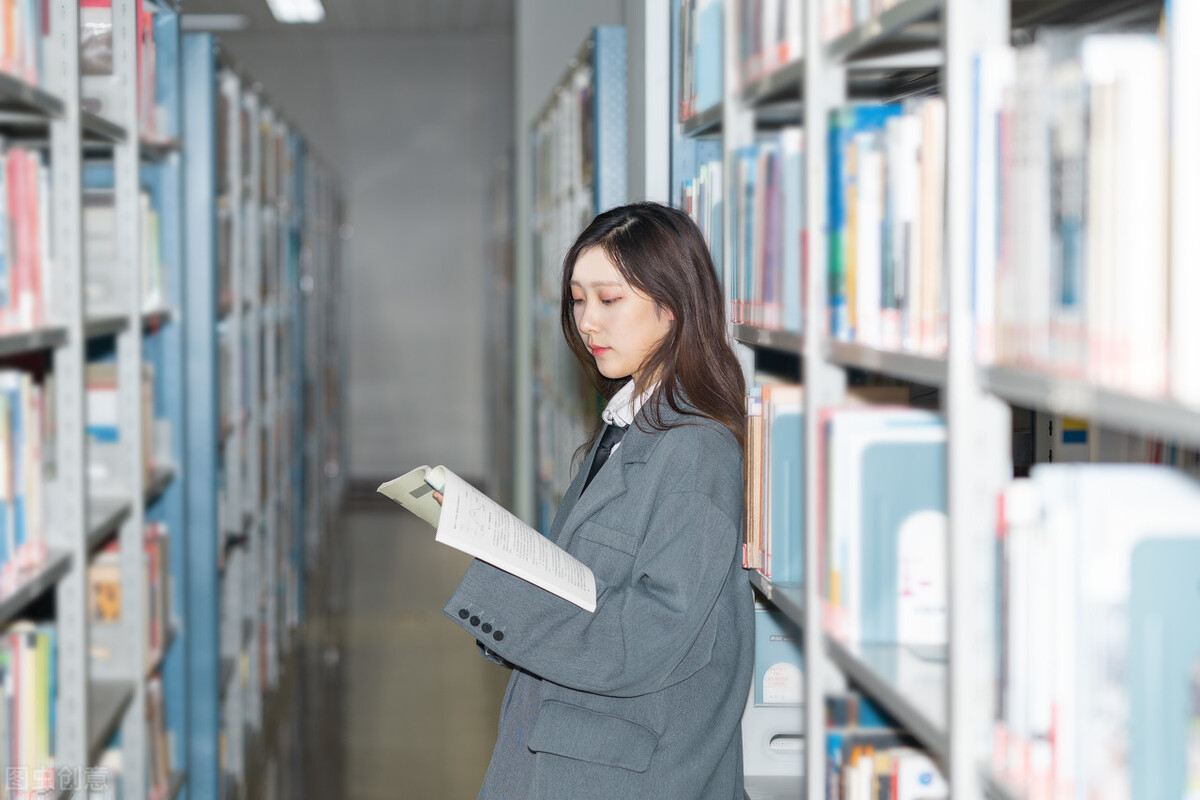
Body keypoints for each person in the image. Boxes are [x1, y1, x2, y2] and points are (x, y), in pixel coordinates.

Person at [442, 202, 753, 799]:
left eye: (609, 300)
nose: (587, 322)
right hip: (573, 745)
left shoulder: (695, 452)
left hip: (626, 772)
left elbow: (646, 634)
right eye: (578, 299)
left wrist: (499, 595)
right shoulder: (625, 425)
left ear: (673, 306)